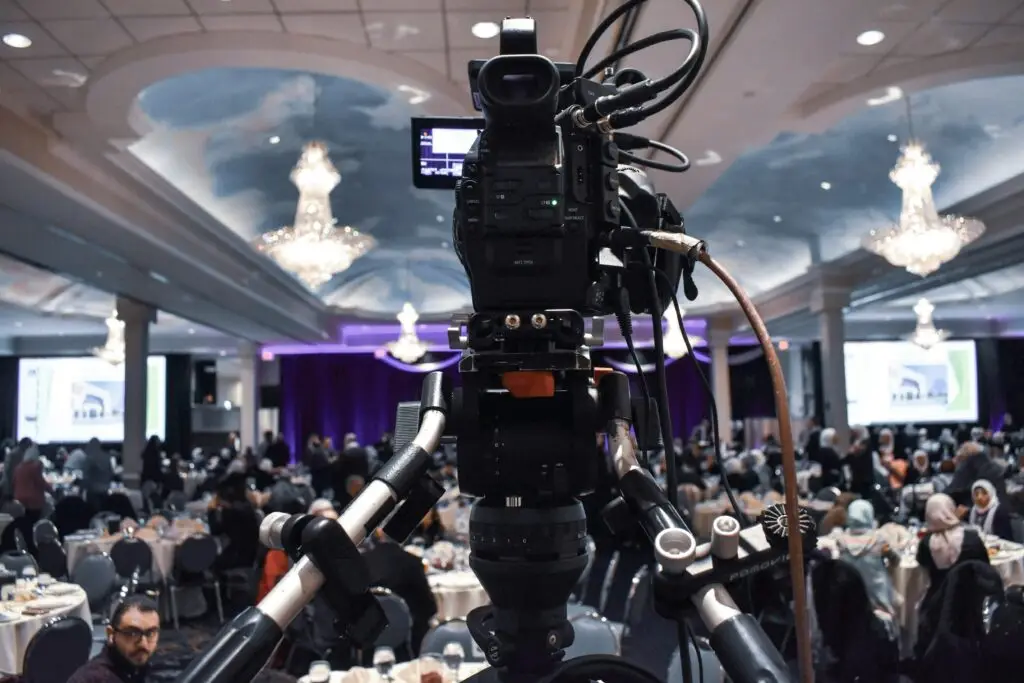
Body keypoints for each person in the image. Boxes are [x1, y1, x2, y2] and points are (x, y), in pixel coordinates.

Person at [361, 535, 438, 652]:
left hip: (367, 641)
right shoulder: (413, 562)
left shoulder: (360, 562)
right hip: (409, 646)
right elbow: (430, 607)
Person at [916, 493, 990, 603]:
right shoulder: (971, 538)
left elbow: (922, 572)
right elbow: (986, 566)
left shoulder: (926, 543)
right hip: (971, 599)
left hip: (937, 601)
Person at [68, 595, 161, 683]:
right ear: (111, 634)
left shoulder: (155, 671)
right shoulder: (90, 679)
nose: (143, 644)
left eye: (150, 633)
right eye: (132, 634)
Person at [835, 500, 899, 619]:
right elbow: (895, 560)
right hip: (878, 599)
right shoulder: (879, 540)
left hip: (849, 598)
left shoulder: (841, 542)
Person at [82, 438, 114, 504]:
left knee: (92, 511)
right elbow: (111, 473)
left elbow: (86, 475)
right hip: (105, 489)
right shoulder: (107, 457)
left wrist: (81, 490)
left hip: (93, 491)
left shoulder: (89, 458)